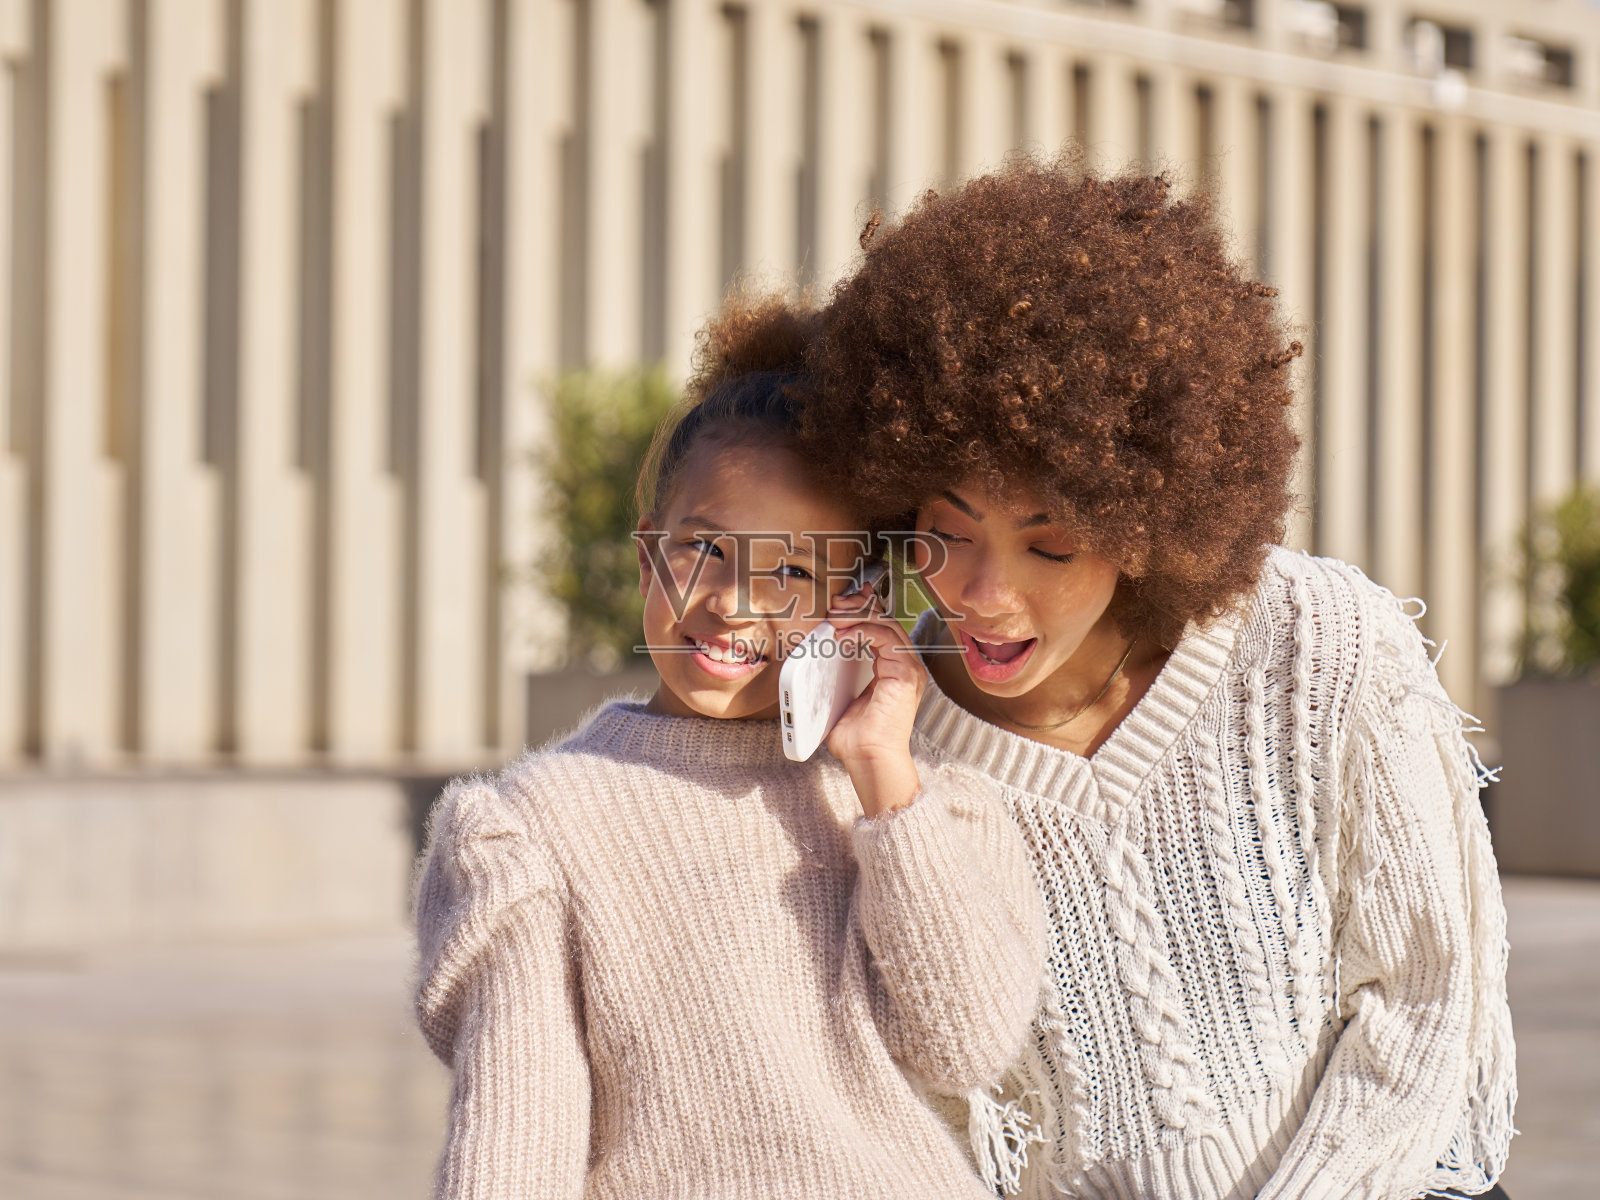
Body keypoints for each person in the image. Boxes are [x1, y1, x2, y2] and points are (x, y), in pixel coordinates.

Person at [801, 158, 1515, 1200]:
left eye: (1050, 546)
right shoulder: (879, 738)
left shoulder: (1320, 645)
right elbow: (921, 1115)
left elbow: (1421, 999)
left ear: (1145, 519)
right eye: (945, 532)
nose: (984, 595)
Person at [412, 298, 1047, 1199]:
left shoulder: (917, 805)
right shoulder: (532, 834)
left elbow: (965, 1040)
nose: (733, 603)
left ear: (857, 602)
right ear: (648, 561)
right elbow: (516, 1148)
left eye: (791, 572)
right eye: (705, 548)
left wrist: (880, 770)